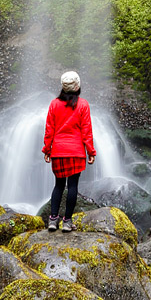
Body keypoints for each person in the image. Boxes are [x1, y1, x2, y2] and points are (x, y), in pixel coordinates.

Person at [42, 70, 96, 232]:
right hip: (76, 153)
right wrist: (91, 151)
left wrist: (47, 149)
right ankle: (67, 222)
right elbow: (87, 131)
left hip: (58, 152)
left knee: (58, 186)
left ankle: (52, 220)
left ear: (63, 87)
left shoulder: (54, 104)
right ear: (78, 86)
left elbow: (49, 129)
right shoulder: (83, 105)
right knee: (73, 187)